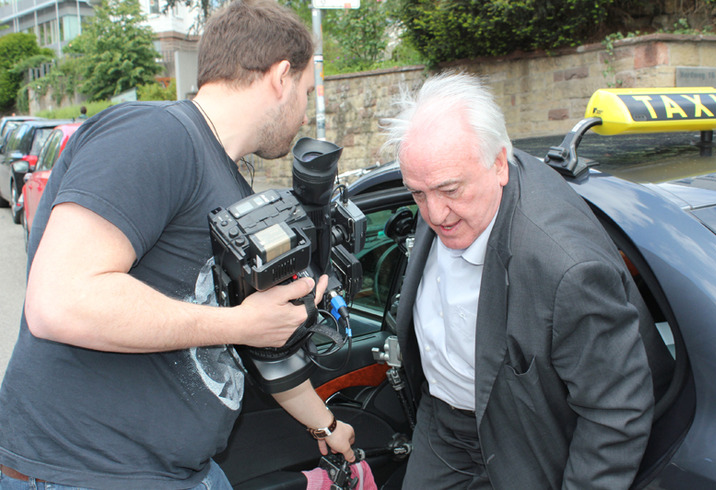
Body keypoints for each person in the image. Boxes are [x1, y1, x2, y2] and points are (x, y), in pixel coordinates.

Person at [0, 1, 355, 489]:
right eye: (308, 91)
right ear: (280, 76)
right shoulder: (154, 136)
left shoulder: (231, 189)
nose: (306, 111)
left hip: (180, 472)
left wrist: (326, 423)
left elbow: (254, 344)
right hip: (85, 473)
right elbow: (60, 301)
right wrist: (241, 322)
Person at [381, 72, 672, 488]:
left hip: (524, 442)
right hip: (441, 426)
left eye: (449, 190)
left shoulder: (565, 268)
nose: (435, 215)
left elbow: (616, 411)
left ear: (499, 164)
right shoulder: (447, 183)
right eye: (418, 194)